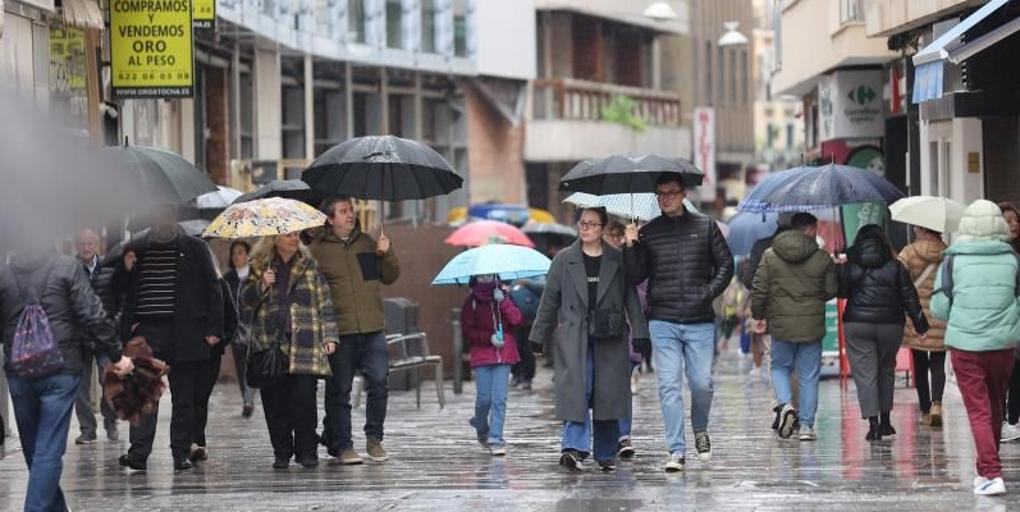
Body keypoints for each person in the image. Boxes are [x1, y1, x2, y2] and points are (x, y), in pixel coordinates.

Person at [1, 240, 133, 511]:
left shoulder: (4, 276)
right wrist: (117, 354)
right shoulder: (67, 268)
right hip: (60, 371)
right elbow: (92, 315)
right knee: (47, 450)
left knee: (34, 450)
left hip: (20, 372)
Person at [622, 173, 733, 471]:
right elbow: (635, 276)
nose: (666, 198)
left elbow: (726, 264)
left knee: (702, 384)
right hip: (663, 320)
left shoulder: (705, 225)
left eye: (671, 192)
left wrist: (708, 293)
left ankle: (700, 428)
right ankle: (676, 451)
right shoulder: (649, 232)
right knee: (668, 386)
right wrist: (630, 246)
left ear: (683, 194)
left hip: (699, 320)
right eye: (661, 194)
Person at [532, 207, 649, 473]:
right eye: (582, 223)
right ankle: (573, 447)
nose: (585, 228)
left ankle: (606, 452)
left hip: (610, 334)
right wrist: (537, 336)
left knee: (606, 391)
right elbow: (549, 299)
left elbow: (631, 297)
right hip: (574, 335)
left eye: (592, 223)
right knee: (577, 389)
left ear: (602, 228)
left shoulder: (618, 260)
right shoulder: (563, 260)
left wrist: (640, 332)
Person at [116, 205, 224, 472]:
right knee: (142, 394)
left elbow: (214, 289)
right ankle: (139, 453)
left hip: (186, 331)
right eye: (159, 215)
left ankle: (181, 452)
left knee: (184, 397)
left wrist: (213, 330)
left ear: (175, 217)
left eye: (168, 215)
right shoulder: (136, 249)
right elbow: (117, 290)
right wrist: (125, 269)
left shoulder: (195, 248)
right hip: (146, 332)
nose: (163, 220)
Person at [931, 199, 1020, 496]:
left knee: (979, 410)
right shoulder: (1011, 259)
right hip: (1004, 345)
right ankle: (985, 471)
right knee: (995, 406)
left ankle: (992, 473)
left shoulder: (953, 259)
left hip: (966, 345)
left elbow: (940, 307)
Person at [313, 196, 400, 465]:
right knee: (339, 390)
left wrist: (387, 252)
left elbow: (389, 276)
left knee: (379, 380)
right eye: (343, 211)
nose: (350, 215)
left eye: (351, 210)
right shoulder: (317, 251)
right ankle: (343, 444)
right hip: (340, 331)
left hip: (373, 327)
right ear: (330, 219)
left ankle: (374, 438)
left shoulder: (366, 243)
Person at [241, 232, 339, 469]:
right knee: (275, 403)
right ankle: (281, 452)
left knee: (304, 400)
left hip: (305, 341)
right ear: (274, 238)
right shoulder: (258, 265)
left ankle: (307, 452)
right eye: (288, 235)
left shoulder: (309, 265)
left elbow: (324, 300)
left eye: (296, 234)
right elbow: (244, 301)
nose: (295, 238)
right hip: (269, 344)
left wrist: (329, 335)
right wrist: (262, 284)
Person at [750, 213, 837, 441]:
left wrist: (758, 314)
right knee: (808, 375)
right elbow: (831, 290)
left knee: (779, 367)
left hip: (781, 324)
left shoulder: (770, 255)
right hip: (811, 325)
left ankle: (786, 405)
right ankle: (807, 426)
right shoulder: (822, 258)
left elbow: (759, 289)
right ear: (809, 230)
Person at [839, 225, 929, 442]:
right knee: (886, 370)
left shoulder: (852, 264)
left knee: (865, 374)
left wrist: (842, 270)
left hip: (858, 323)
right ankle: (886, 421)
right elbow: (909, 296)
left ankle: (874, 425)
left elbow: (841, 291)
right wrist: (921, 325)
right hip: (891, 324)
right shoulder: (895, 266)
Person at [189, 247, 240, 463]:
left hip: (210, 353)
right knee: (185, 398)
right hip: (185, 350)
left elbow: (232, 318)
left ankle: (197, 442)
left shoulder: (220, 284)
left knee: (200, 398)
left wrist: (221, 340)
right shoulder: (183, 286)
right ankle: (186, 442)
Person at [461, 275, 523, 456]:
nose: (485, 278)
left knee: (499, 399)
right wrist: (488, 338)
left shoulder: (504, 296)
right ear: (475, 278)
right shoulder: (471, 301)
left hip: (505, 354)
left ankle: (496, 438)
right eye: (481, 276)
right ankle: (481, 426)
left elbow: (517, 320)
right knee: (484, 399)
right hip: (482, 355)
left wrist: (503, 302)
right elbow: (467, 331)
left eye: (489, 275)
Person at [71, 227, 121, 445]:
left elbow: (121, 301)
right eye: (82, 243)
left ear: (97, 245)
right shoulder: (69, 271)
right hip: (78, 336)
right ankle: (87, 429)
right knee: (80, 386)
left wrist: (113, 324)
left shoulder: (110, 271)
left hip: (104, 336)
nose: (85, 248)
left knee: (109, 380)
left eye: (90, 243)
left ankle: (110, 421)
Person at [898, 225, 949, 428]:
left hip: (916, 316)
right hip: (940, 314)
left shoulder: (908, 252)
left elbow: (899, 280)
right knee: (938, 362)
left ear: (922, 229)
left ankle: (926, 410)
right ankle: (937, 403)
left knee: (920, 364)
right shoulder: (948, 253)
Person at [605, 220, 645, 459]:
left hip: (629, 333)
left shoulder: (634, 261)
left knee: (621, 384)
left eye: (620, 234)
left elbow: (642, 296)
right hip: (605, 333)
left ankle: (622, 435)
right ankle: (610, 433)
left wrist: (633, 250)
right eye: (612, 234)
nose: (617, 239)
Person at [223, 240, 257, 418]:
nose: (237, 256)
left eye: (241, 252)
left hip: (255, 328)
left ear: (248, 255)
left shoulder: (256, 276)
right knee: (241, 366)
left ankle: (249, 398)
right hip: (236, 330)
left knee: (252, 366)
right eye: (234, 253)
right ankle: (247, 400)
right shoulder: (228, 278)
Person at [997, 202, 1020, 442]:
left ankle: (1014, 419)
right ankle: (1004, 420)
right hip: (1004, 319)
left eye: (1015, 220)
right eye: (1007, 220)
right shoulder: (997, 252)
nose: (1013, 224)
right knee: (1006, 371)